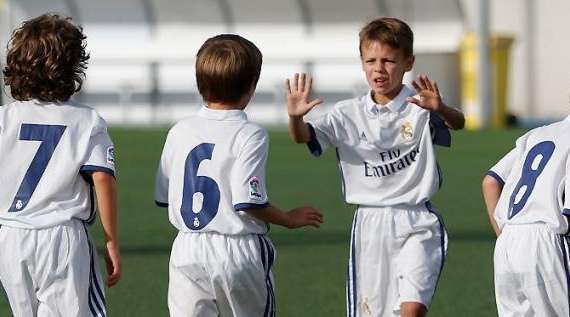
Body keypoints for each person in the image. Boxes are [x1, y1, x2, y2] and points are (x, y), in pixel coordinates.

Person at [285, 17, 465, 317]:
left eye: (388, 61)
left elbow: (457, 123)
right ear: (361, 62)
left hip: (417, 219)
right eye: (371, 60)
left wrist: (442, 108)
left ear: (408, 62)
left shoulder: (420, 105)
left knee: (413, 309)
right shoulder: (347, 113)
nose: (378, 69)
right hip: (370, 225)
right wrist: (294, 118)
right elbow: (304, 137)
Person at [154, 34, 323, 317]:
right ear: (251, 87)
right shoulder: (251, 134)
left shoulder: (179, 130)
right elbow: (249, 201)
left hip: (187, 248)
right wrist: (288, 219)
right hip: (237, 250)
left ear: (200, 84)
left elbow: (165, 196)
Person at [0, 13, 120, 316]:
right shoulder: (86, 120)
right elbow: (102, 179)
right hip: (61, 237)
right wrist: (111, 241)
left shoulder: (4, 119)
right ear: (73, 68)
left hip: (11, 238)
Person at [482, 116, 570, 316]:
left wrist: (507, 235)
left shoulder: (538, 133)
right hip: (547, 243)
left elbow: (491, 182)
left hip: (508, 242)